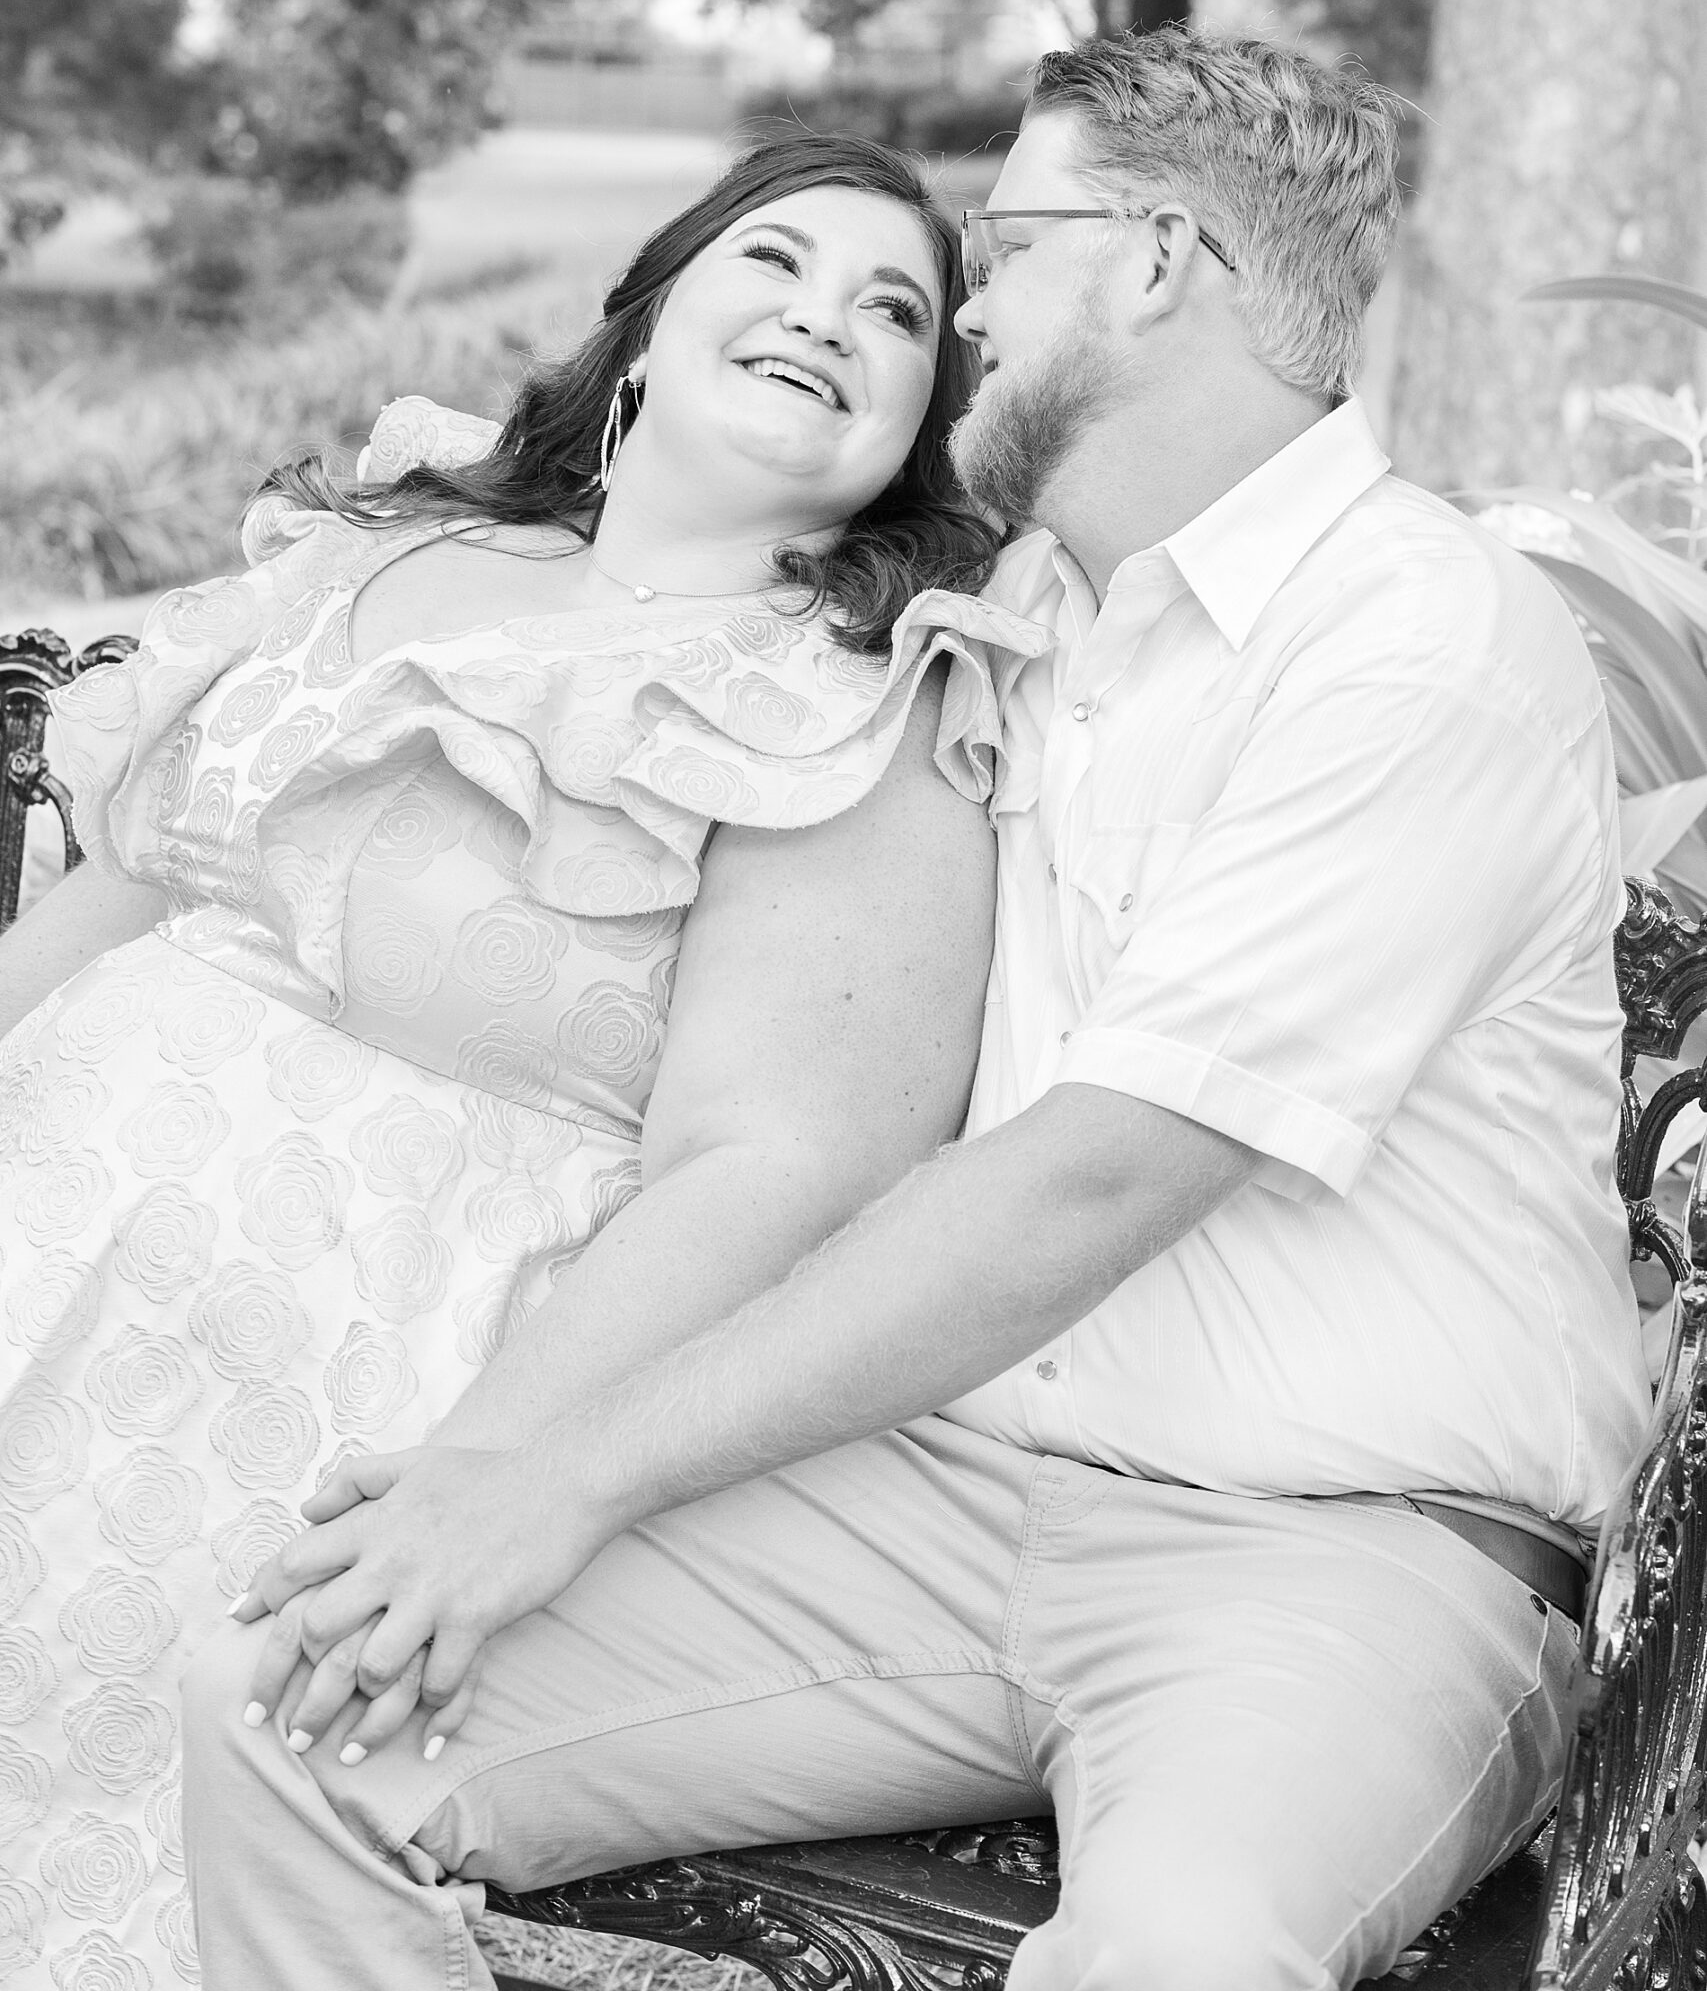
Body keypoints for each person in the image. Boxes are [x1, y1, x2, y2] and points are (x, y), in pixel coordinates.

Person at [183, 29, 1652, 1991]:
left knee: (1168, 1959)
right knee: (293, 1698)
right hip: (945, 1492)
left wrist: (558, 1467)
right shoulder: (1028, 606)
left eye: (997, 249)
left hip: (1339, 1546)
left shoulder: (1412, 639)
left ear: (1148, 263)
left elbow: (1091, 1176)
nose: (961, 310)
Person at [0, 134, 1047, 1990]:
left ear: (913, 434)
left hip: (337, 1354)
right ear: (644, 329)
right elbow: (134, 887)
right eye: (777, 262)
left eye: (896, 312)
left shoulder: (854, 699)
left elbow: (776, 1163)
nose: (831, 315)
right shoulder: (389, 545)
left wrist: (476, 1483)